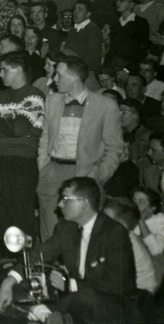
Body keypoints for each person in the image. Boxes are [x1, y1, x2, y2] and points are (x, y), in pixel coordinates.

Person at [0, 177, 138, 324]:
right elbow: (40, 254)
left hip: (113, 303)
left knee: (85, 297)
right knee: (15, 287)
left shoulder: (114, 232)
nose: (60, 204)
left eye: (66, 199)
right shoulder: (66, 227)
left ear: (85, 202)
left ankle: (44, 314)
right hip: (75, 298)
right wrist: (8, 283)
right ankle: (47, 315)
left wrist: (71, 285)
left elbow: (116, 283)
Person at [37, 55, 123, 240]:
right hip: (52, 172)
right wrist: (43, 166)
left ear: (74, 78)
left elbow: (115, 147)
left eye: (59, 75)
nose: (53, 79)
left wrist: (99, 175)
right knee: (50, 234)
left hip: (84, 174)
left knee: (82, 236)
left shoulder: (105, 105)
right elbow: (45, 138)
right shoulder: (52, 101)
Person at [0, 50, 45, 255]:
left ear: (17, 70)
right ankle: (4, 261)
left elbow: (20, 128)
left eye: (4, 70)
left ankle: (23, 265)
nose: (0, 75)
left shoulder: (34, 95)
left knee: (20, 217)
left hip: (22, 163)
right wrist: (10, 120)